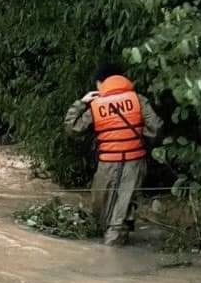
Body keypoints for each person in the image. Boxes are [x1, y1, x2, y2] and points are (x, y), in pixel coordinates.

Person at [64, 64, 163, 246]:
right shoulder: (137, 99)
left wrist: (82, 102)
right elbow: (156, 128)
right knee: (122, 211)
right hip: (134, 163)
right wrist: (139, 134)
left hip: (107, 163)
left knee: (101, 211)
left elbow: (73, 128)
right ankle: (115, 248)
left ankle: (108, 255)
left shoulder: (95, 104)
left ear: (100, 83)